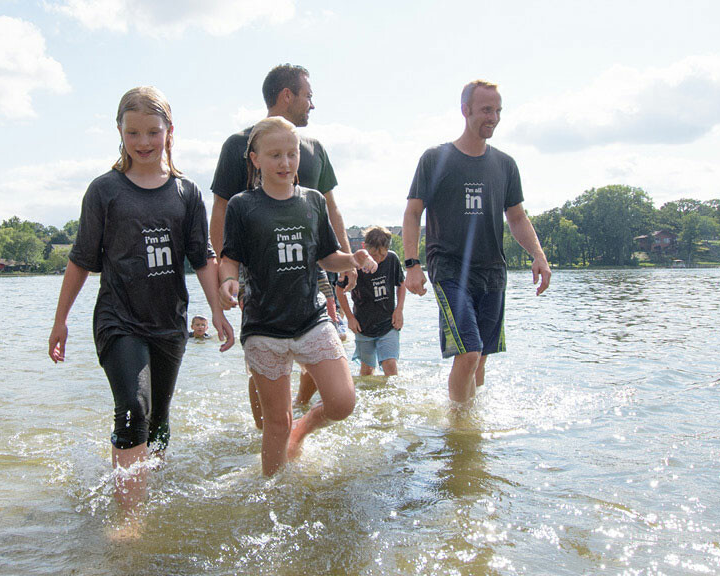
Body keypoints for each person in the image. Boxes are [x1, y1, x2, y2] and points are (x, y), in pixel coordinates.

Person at [48, 86, 235, 530]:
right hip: (118, 320)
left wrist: (220, 311)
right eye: (134, 133)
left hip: (168, 323)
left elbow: (202, 257)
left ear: (170, 132)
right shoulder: (104, 191)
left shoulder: (186, 193)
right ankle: (129, 520)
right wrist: (60, 321)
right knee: (133, 406)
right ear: (119, 132)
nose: (144, 141)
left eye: (154, 131)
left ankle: (147, 487)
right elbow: (80, 260)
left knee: (159, 422)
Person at [218, 117, 376, 476]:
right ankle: (271, 492)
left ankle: (302, 430)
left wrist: (351, 259)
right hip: (263, 326)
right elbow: (230, 259)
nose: (285, 163)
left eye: (292, 154)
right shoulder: (242, 206)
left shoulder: (313, 201)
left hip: (311, 318)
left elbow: (325, 256)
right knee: (276, 422)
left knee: (342, 402)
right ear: (255, 159)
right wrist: (228, 282)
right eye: (275, 155)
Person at [209, 64, 354, 424]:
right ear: (286, 95)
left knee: (324, 342)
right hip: (258, 274)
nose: (312, 105)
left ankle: (301, 416)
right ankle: (271, 427)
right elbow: (222, 210)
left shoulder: (315, 148)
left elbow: (330, 207)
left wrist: (348, 262)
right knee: (268, 355)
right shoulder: (238, 145)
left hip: (315, 268)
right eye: (308, 96)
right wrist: (227, 274)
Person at [402, 80, 551, 405]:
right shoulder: (435, 158)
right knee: (469, 352)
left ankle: (473, 425)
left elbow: (517, 217)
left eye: (498, 110)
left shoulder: (505, 165)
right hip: (450, 268)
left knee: (480, 357)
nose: (493, 117)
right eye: (486, 110)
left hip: (493, 272)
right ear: (465, 110)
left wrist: (538, 255)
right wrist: (412, 264)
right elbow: (413, 213)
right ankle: (459, 430)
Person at [336, 226, 406, 377]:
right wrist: (349, 317)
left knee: (390, 367)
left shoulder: (392, 259)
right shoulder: (355, 264)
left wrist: (399, 310)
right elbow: (339, 290)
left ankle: (391, 399)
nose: (378, 259)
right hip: (363, 326)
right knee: (367, 372)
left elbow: (401, 284)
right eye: (374, 255)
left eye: (382, 254)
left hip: (388, 324)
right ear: (364, 247)